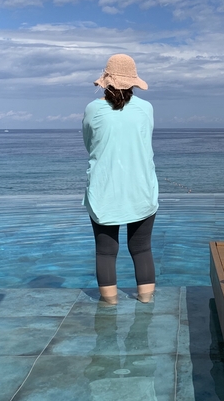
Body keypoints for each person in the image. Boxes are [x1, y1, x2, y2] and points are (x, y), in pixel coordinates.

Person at [82, 54, 159, 305]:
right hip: (141, 187)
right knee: (142, 248)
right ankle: (146, 301)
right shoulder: (146, 108)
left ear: (106, 80)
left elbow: (90, 144)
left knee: (105, 252)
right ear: (134, 82)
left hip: (104, 188)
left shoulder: (93, 109)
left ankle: (110, 305)